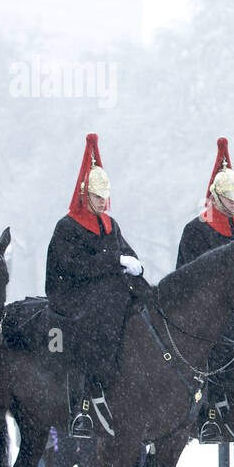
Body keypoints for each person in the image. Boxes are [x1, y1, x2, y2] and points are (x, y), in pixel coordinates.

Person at [45, 134, 144, 439]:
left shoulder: (110, 225)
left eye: (106, 196)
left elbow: (125, 253)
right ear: (85, 194)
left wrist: (136, 266)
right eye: (98, 196)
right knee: (102, 309)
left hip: (107, 294)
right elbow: (74, 266)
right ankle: (87, 396)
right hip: (72, 296)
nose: (103, 202)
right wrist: (115, 262)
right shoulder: (67, 226)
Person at [176, 137, 234, 443]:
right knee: (216, 344)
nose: (233, 202)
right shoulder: (196, 230)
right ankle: (209, 411)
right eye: (227, 196)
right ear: (215, 196)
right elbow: (186, 275)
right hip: (205, 312)